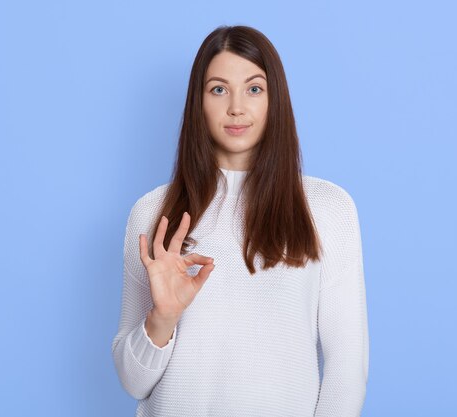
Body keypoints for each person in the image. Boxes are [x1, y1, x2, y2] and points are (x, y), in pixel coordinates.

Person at [112, 25, 369, 417]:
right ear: (198, 102)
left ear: (274, 100)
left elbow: (346, 368)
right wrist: (162, 318)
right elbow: (133, 381)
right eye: (218, 89)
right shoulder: (153, 213)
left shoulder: (326, 209)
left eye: (253, 89)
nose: (236, 107)